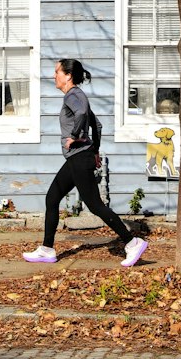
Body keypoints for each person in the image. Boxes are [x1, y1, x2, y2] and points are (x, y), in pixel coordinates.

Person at [23, 58, 148, 268]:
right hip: (77, 157)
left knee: (95, 205)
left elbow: (82, 115)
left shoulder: (74, 95)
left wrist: (74, 136)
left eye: (57, 72)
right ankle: (47, 249)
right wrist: (95, 150)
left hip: (79, 157)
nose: (54, 76)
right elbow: (96, 125)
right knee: (52, 198)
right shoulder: (76, 96)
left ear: (68, 76)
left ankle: (132, 242)